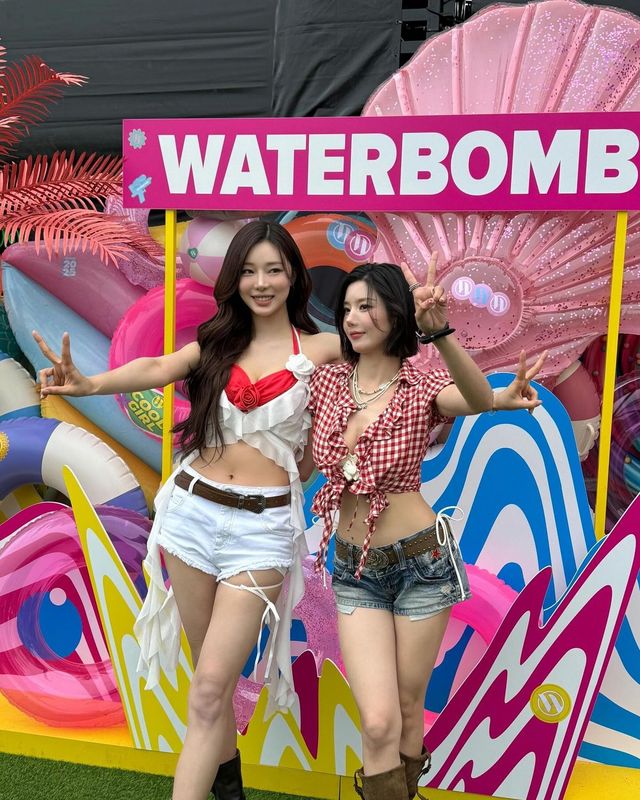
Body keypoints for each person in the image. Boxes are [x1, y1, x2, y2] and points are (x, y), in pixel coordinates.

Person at [33, 220, 340, 800]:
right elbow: (156, 368)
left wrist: (427, 327)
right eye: (249, 271)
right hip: (192, 516)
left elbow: (380, 377)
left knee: (208, 688)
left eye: (274, 270)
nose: (261, 282)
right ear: (234, 280)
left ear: (294, 277)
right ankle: (228, 785)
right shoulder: (217, 344)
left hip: (263, 529)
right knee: (207, 684)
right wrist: (88, 383)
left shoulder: (323, 350)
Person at [308, 257, 546, 800]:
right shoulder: (325, 382)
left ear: (396, 313)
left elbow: (479, 400)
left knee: (408, 705)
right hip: (355, 567)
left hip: (421, 562)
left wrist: (439, 331)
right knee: (378, 722)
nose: (352, 318)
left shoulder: (421, 386)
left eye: (367, 306)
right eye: (347, 308)